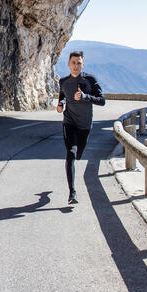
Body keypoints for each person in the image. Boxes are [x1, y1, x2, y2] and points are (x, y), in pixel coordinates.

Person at [56, 51, 105, 204]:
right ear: (68, 64)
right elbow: (62, 97)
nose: (76, 66)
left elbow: (102, 100)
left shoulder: (90, 80)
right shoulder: (63, 81)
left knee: (78, 155)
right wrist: (61, 105)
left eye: (79, 63)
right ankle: (72, 193)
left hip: (84, 125)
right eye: (73, 62)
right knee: (71, 154)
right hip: (69, 123)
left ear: (83, 64)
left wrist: (85, 97)